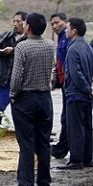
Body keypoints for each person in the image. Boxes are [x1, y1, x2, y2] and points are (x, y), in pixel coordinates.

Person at [10, 12, 54, 186]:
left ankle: (26, 181)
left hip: (25, 99)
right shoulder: (51, 45)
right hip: (45, 98)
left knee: (26, 143)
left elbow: (17, 76)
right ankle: (44, 180)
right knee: (43, 142)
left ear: (28, 27)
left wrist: (13, 94)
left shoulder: (22, 47)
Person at [57, 17, 93, 170]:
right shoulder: (88, 47)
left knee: (75, 127)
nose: (65, 30)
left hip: (75, 93)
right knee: (86, 126)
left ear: (74, 31)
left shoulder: (72, 49)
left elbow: (75, 73)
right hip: (86, 95)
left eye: (68, 28)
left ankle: (76, 159)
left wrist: (85, 88)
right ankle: (87, 158)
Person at [0, 11, 27, 124]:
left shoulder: (29, 40)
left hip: (22, 82)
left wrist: (14, 51)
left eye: (18, 21)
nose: (15, 24)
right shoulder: (6, 36)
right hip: (4, 79)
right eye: (14, 21)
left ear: (25, 23)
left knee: (21, 111)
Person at [49, 12, 70, 159]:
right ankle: (61, 147)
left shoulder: (67, 39)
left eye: (57, 22)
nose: (55, 26)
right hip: (64, 84)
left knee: (67, 118)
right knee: (65, 116)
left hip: (70, 84)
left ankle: (62, 149)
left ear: (66, 22)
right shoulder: (61, 39)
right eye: (52, 24)